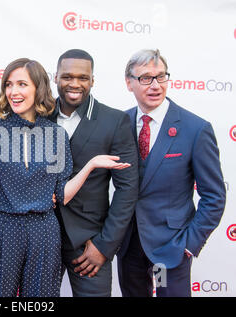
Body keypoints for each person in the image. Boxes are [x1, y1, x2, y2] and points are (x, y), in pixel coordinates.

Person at [0, 58, 130, 297]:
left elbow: (60, 195)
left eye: (22, 84)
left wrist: (90, 166)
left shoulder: (56, 134)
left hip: (44, 233)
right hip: (2, 229)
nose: (14, 91)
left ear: (38, 88)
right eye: (9, 85)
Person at [117, 49, 226, 297]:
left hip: (170, 249)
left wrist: (189, 244)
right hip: (129, 246)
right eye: (145, 78)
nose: (155, 85)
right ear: (129, 83)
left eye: (161, 77)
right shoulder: (119, 124)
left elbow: (214, 196)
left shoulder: (195, 129)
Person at [49, 49, 139, 297]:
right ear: (55, 77)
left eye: (83, 77)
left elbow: (127, 188)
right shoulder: (39, 116)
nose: (75, 84)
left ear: (92, 80)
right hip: (41, 238)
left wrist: (105, 245)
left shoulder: (114, 121)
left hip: (90, 242)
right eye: (67, 76)